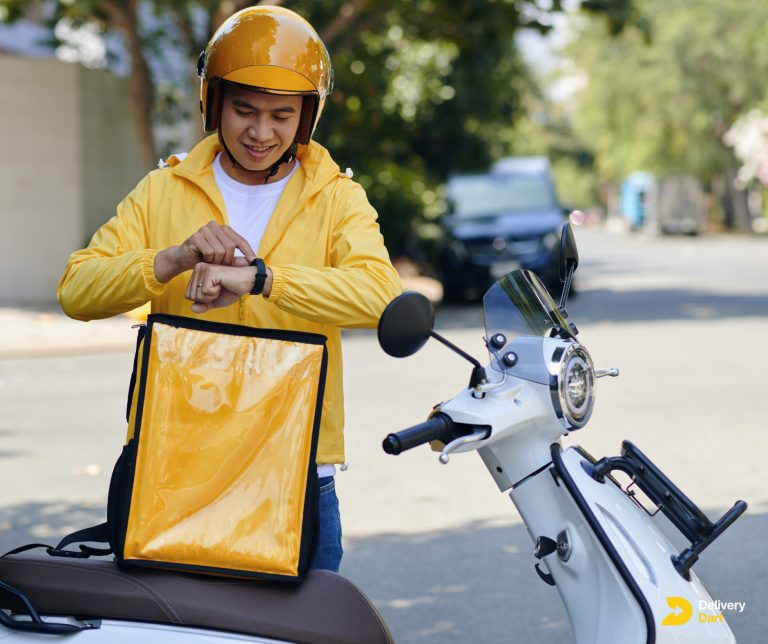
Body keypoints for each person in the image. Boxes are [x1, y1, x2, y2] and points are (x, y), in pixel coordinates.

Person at [57, 5, 402, 573]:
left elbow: (380, 294)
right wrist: (170, 259)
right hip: (176, 466)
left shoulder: (339, 197)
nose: (261, 132)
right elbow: (77, 290)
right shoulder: (162, 189)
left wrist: (261, 279)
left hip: (294, 470)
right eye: (244, 110)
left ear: (306, 118)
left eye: (281, 116)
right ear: (212, 102)